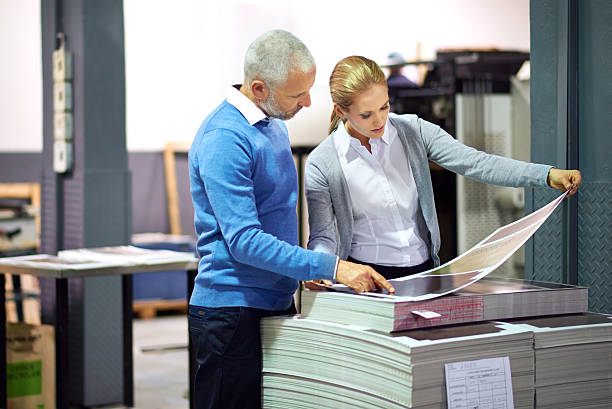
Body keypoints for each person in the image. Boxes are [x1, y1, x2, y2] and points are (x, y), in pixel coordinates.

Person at [187, 33, 394, 409]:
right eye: (297, 94)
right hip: (232, 313)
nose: (308, 102)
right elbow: (245, 241)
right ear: (258, 87)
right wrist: (332, 267)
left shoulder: (271, 122)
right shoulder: (224, 138)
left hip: (273, 302)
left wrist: (306, 267)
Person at [305, 55, 581, 280]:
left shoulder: (413, 131)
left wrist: (545, 175)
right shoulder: (323, 162)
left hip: (423, 272)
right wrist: (319, 269)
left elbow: (477, 163)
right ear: (341, 111)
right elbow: (323, 235)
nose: (380, 120)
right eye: (366, 114)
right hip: (367, 277)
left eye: (385, 106)